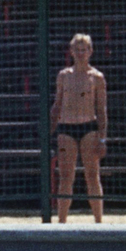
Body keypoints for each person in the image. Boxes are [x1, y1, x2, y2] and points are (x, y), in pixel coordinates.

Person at [51, 33, 107, 223]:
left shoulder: (97, 77)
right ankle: (61, 222)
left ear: (90, 51)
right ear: (72, 52)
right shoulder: (64, 76)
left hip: (89, 128)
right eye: (78, 50)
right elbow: (57, 104)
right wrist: (50, 130)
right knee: (66, 176)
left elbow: (101, 109)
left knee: (92, 175)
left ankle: (99, 221)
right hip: (66, 128)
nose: (81, 53)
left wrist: (102, 138)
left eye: (85, 50)